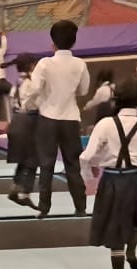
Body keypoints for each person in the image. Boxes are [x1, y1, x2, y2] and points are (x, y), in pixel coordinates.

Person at [81, 79, 137, 269]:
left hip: (112, 179)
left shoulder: (105, 124)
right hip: (136, 179)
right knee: (134, 219)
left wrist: (89, 178)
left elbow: (86, 156)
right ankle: (131, 252)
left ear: (116, 99)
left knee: (115, 231)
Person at [24, 20, 90, 218]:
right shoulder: (80, 64)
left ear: (52, 43)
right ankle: (80, 207)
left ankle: (44, 208)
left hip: (48, 118)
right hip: (71, 119)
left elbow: (34, 89)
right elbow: (83, 90)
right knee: (73, 165)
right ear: (74, 42)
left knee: (46, 165)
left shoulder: (45, 63)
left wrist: (28, 104)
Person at [5, 54, 41, 209]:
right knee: (33, 158)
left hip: (16, 120)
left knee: (23, 158)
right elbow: (37, 103)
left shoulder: (16, 84)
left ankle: (16, 186)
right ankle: (25, 192)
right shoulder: (32, 83)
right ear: (32, 65)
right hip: (29, 121)